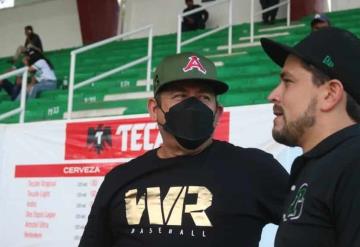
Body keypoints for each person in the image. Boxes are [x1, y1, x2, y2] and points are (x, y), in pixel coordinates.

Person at [78, 52, 289, 247]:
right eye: (179, 96)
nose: (192, 107)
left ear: (217, 113)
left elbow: (315, 228)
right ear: (154, 109)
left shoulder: (254, 169)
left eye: (204, 98)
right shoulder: (120, 178)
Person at [260, 27, 360, 247]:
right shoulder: (320, 165)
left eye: (288, 82)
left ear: (330, 94)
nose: (273, 95)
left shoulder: (353, 163)